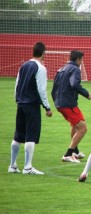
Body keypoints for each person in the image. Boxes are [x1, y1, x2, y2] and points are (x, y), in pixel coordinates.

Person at [8, 41, 53, 175]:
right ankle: (28, 167)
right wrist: (47, 107)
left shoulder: (23, 66)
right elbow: (41, 90)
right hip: (32, 105)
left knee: (18, 134)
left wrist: (17, 99)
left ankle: (12, 165)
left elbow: (17, 85)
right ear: (43, 53)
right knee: (30, 135)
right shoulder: (40, 68)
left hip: (20, 104)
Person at [51, 50, 91, 163]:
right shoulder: (75, 69)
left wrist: (56, 102)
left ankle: (75, 151)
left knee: (75, 125)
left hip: (60, 103)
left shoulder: (61, 69)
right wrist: (87, 94)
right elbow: (74, 84)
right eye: (81, 60)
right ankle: (68, 154)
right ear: (78, 59)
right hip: (68, 104)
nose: (81, 62)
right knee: (83, 128)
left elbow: (53, 88)